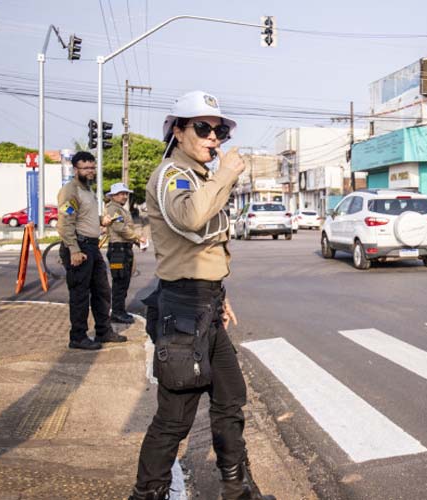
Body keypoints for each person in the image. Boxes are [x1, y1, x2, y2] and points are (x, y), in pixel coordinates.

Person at [129, 91, 274, 500]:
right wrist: (225, 174)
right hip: (183, 309)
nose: (214, 138)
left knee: (230, 398)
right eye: (203, 128)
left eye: (220, 131)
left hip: (205, 304)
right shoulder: (172, 175)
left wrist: (219, 296)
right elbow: (192, 218)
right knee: (175, 417)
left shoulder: (199, 177)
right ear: (178, 131)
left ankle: (236, 489)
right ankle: (147, 494)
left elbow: (207, 249)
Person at [56, 151, 127, 350]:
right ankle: (78, 337)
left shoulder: (88, 190)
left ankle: (103, 331)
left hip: (92, 247)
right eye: (85, 168)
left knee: (102, 291)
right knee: (80, 294)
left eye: (92, 167)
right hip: (80, 247)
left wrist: (101, 221)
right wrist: (74, 250)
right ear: (75, 169)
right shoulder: (70, 191)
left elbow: (85, 216)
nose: (90, 171)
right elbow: (65, 223)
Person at [104, 182, 147, 324]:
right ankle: (117, 313)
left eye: (126, 193)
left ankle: (120, 310)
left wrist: (138, 242)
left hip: (124, 250)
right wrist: (137, 238)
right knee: (119, 282)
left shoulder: (121, 209)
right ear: (113, 196)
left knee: (124, 282)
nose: (124, 196)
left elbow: (126, 230)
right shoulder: (113, 209)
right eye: (121, 194)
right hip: (118, 251)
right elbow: (121, 228)